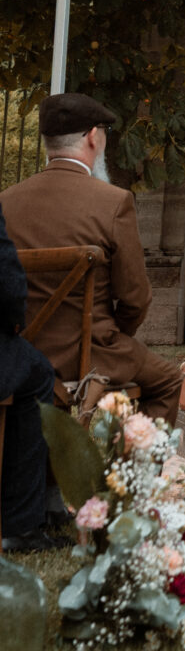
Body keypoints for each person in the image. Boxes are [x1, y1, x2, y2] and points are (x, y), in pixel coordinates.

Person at [0, 94, 181, 420]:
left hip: (18, 355)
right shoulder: (113, 202)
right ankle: (135, 456)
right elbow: (136, 299)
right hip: (92, 353)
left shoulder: (6, 202)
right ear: (93, 137)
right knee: (169, 380)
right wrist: (115, 335)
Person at [0, 203, 60, 550]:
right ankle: (19, 523)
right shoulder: (115, 203)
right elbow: (7, 282)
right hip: (80, 344)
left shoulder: (15, 197)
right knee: (37, 374)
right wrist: (14, 322)